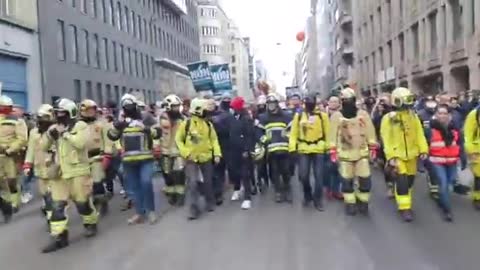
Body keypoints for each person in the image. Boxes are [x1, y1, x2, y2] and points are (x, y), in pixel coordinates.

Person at [42, 98, 98, 253]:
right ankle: (60, 237)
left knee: (82, 203)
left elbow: (81, 143)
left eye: (62, 112)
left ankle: (90, 224)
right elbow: (43, 146)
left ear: (70, 112)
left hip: (78, 172)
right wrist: (50, 136)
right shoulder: (54, 127)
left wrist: (65, 134)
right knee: (57, 206)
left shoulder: (81, 126)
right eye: (57, 112)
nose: (59, 115)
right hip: (60, 173)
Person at [108, 94, 161, 225]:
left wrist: (146, 129)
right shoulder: (121, 119)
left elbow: (158, 132)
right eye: (126, 107)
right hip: (128, 160)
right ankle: (139, 213)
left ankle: (151, 211)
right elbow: (112, 136)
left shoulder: (145, 117)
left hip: (145, 158)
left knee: (146, 182)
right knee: (134, 188)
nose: (129, 109)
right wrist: (119, 124)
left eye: (131, 106)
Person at [380, 87, 428, 222]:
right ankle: (405, 208)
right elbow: (386, 139)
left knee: (410, 182)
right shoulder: (388, 119)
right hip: (398, 156)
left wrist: (423, 150)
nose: (410, 103)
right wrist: (391, 157)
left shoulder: (413, 116)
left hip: (412, 156)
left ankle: (403, 197)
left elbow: (419, 134)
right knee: (402, 182)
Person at [329, 88, 377, 216]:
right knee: (347, 181)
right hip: (345, 155)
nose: (348, 102)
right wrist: (332, 150)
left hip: (361, 153)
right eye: (345, 100)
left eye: (350, 100)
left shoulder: (363, 114)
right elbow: (332, 134)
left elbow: (370, 131)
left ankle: (363, 201)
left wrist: (372, 146)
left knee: (365, 179)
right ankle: (350, 203)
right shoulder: (336, 117)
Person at [175, 98, 221, 220]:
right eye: (205, 109)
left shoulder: (208, 124)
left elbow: (214, 140)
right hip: (191, 159)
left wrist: (217, 154)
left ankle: (209, 202)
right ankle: (193, 209)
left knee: (208, 182)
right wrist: (185, 152)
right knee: (193, 183)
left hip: (206, 158)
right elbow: (178, 140)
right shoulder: (186, 124)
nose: (207, 112)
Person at [425, 105, 466, 221]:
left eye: (445, 113)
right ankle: (447, 210)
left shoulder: (454, 128)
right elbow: (425, 146)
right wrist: (425, 162)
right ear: (436, 115)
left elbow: (459, 144)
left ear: (449, 115)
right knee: (443, 185)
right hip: (437, 162)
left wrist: (463, 159)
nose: (442, 115)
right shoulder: (429, 129)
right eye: (440, 113)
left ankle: (441, 198)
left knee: (450, 184)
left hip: (452, 162)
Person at [289, 94, 329, 211]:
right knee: (303, 175)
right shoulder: (299, 115)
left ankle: (318, 199)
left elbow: (328, 132)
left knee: (319, 176)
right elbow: (294, 132)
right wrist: (292, 147)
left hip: (318, 148)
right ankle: (307, 194)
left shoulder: (322, 115)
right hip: (303, 148)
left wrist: (328, 147)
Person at [23, 104, 57, 229]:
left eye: (44, 117)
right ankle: (51, 215)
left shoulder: (55, 131)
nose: (41, 120)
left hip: (54, 168)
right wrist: (27, 165)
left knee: (53, 197)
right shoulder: (33, 133)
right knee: (44, 194)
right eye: (40, 117)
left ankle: (53, 220)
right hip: (40, 170)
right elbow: (30, 150)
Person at [79, 99, 114, 216]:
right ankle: (90, 205)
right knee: (85, 185)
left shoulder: (102, 124)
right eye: (88, 110)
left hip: (98, 157)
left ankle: (100, 202)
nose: (90, 113)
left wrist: (107, 155)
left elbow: (108, 140)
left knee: (97, 181)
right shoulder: (78, 126)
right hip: (82, 159)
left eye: (92, 110)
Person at [257, 93, 293, 203]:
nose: (271, 106)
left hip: (285, 149)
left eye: (273, 103)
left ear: (277, 104)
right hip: (271, 150)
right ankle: (278, 191)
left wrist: (288, 139)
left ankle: (287, 189)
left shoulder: (286, 116)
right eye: (269, 104)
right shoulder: (263, 117)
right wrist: (264, 140)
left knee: (286, 171)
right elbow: (258, 132)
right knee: (274, 171)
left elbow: (292, 131)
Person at [0, 95, 28, 221]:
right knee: (1, 183)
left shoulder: (17, 120)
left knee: (11, 181)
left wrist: (11, 149)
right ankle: (6, 204)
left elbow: (22, 138)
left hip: (10, 155)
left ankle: (14, 203)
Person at [157, 94, 186, 206]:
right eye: (174, 106)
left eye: (178, 106)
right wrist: (156, 147)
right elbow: (157, 133)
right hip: (165, 151)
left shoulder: (183, 119)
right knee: (167, 175)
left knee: (179, 174)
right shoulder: (162, 118)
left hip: (178, 151)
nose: (177, 108)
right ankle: (171, 194)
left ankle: (180, 196)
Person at [228, 96, 256, 210]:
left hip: (243, 151)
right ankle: (237, 189)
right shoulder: (232, 118)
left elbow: (250, 136)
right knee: (234, 172)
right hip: (233, 150)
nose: (232, 109)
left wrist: (246, 149)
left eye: (234, 107)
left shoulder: (246, 119)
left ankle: (247, 198)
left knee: (245, 174)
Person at [210, 94, 233, 205]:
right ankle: (216, 193)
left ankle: (218, 193)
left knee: (220, 170)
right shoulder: (206, 117)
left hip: (224, 146)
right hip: (210, 147)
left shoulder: (225, 115)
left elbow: (229, 130)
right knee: (215, 171)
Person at [325, 95, 343, 200]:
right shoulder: (323, 114)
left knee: (337, 169)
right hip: (325, 145)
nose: (334, 103)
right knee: (327, 169)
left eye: (336, 101)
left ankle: (336, 190)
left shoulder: (341, 114)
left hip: (337, 145)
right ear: (328, 103)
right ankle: (328, 188)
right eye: (332, 101)